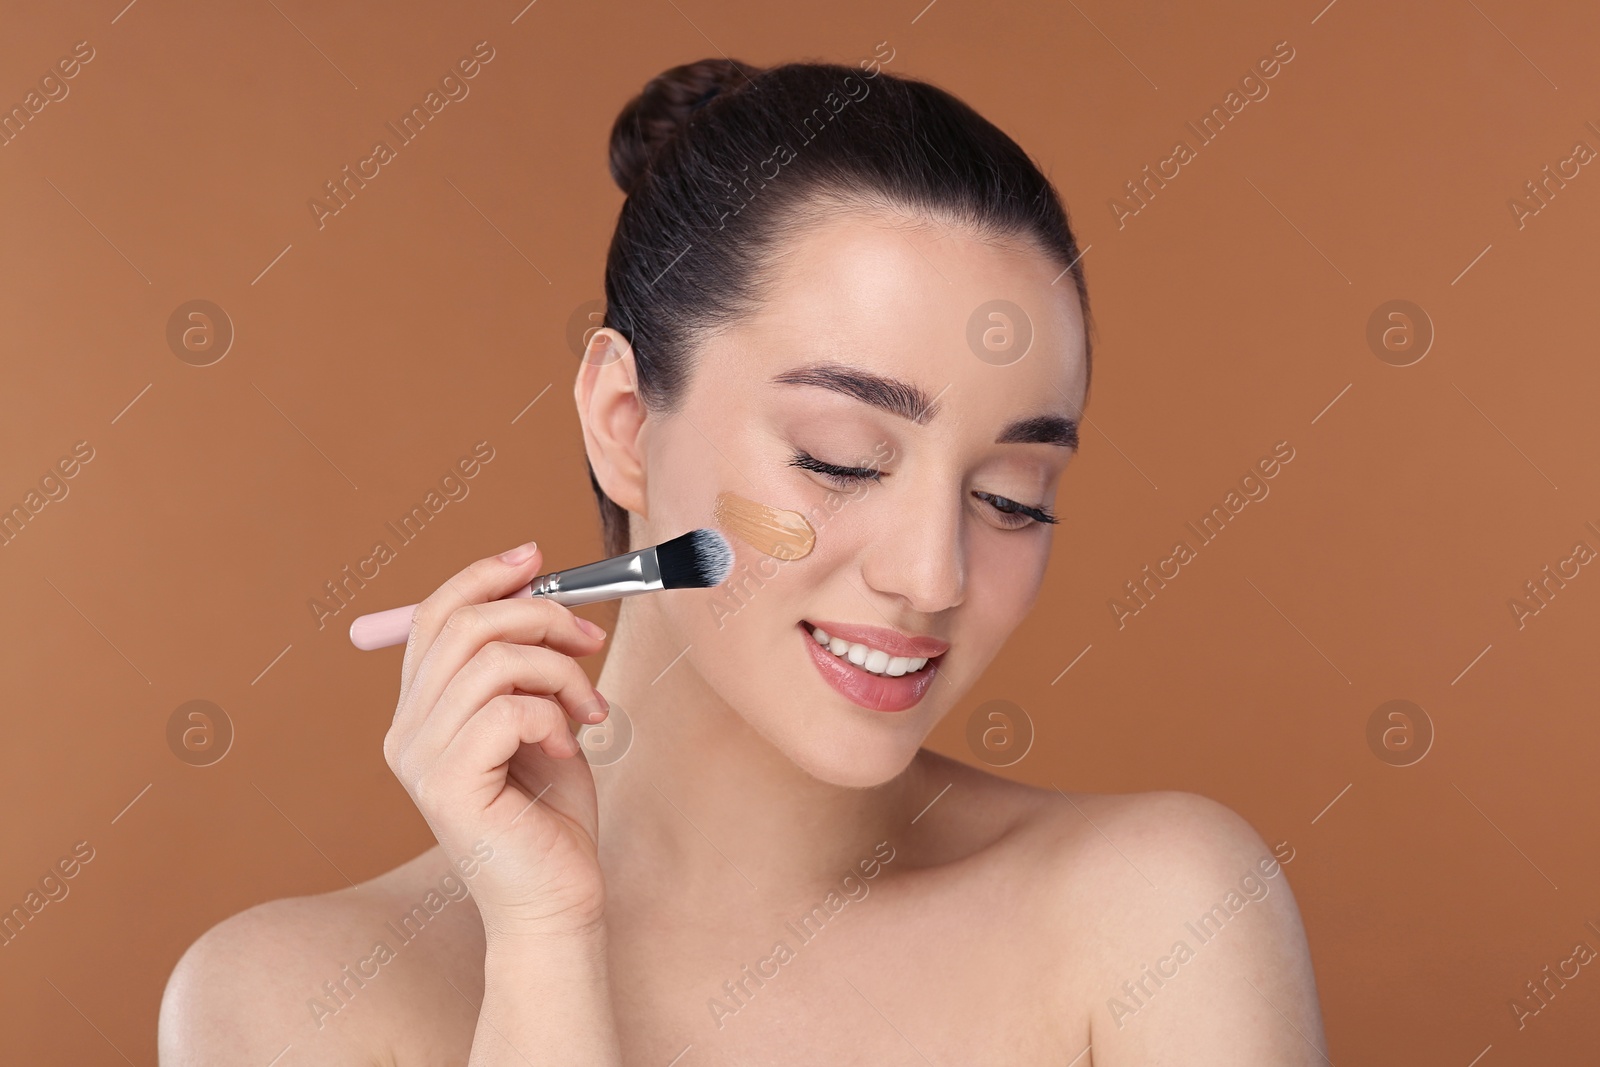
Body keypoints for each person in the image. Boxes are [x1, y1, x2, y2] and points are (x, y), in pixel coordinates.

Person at [159, 56, 1326, 1065]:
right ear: (624, 419)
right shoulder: (286, 999)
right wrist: (547, 947)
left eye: (1008, 497)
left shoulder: (1156, 913)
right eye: (841, 459)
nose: (934, 575)